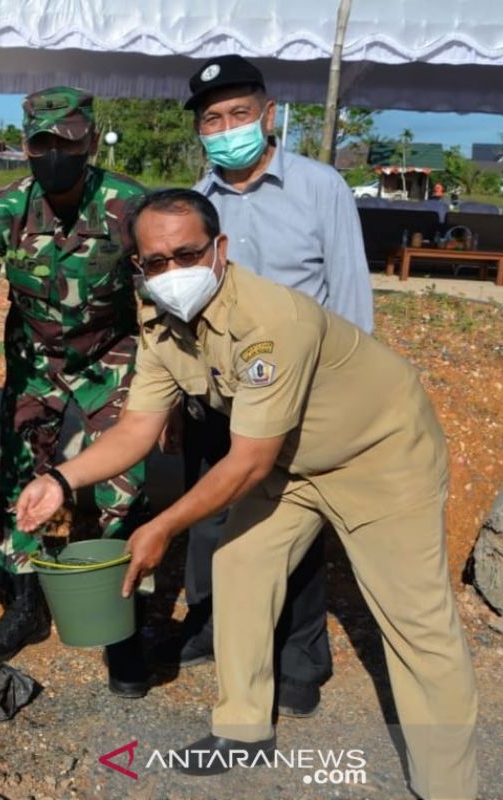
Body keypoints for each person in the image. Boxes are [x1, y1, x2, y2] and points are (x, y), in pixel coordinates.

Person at [14, 189, 478, 798]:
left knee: (417, 623)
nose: (173, 272)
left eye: (187, 253)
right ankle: (243, 731)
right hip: (291, 462)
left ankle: (449, 786)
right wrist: (59, 479)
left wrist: (161, 528)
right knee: (239, 564)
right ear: (139, 268)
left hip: (380, 455)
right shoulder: (161, 326)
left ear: (220, 249)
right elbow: (137, 428)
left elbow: (248, 460)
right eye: (155, 262)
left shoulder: (272, 321)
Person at [0, 87, 151, 693]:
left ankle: (123, 623)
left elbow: (159, 302)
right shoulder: (3, 210)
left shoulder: (130, 208)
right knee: (18, 472)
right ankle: (25, 602)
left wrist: (163, 393)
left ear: (89, 142)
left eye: (66, 142)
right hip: (35, 357)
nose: (54, 155)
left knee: (122, 488)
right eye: (41, 144)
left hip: (110, 356)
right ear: (26, 146)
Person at [159, 54, 375, 718]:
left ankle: (299, 654)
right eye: (213, 119)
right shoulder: (200, 204)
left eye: (239, 115)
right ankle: (210, 624)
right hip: (218, 393)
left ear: (269, 115)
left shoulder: (320, 188)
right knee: (211, 515)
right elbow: (181, 305)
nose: (227, 129)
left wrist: (348, 397)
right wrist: (173, 395)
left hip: (300, 396)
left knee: (294, 522)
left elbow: (350, 299)